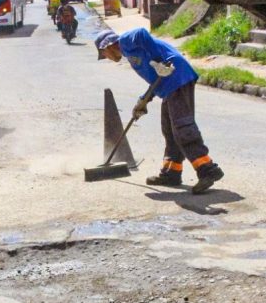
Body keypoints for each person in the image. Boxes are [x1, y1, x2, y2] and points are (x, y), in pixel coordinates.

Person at [94, 28, 224, 194]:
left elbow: (142, 33)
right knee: (169, 131)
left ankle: (208, 170)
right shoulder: (130, 54)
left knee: (182, 128)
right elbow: (157, 77)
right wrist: (144, 100)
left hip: (178, 79)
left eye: (104, 54)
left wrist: (159, 60)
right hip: (169, 86)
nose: (107, 58)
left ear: (108, 46)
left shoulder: (125, 41)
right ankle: (171, 173)